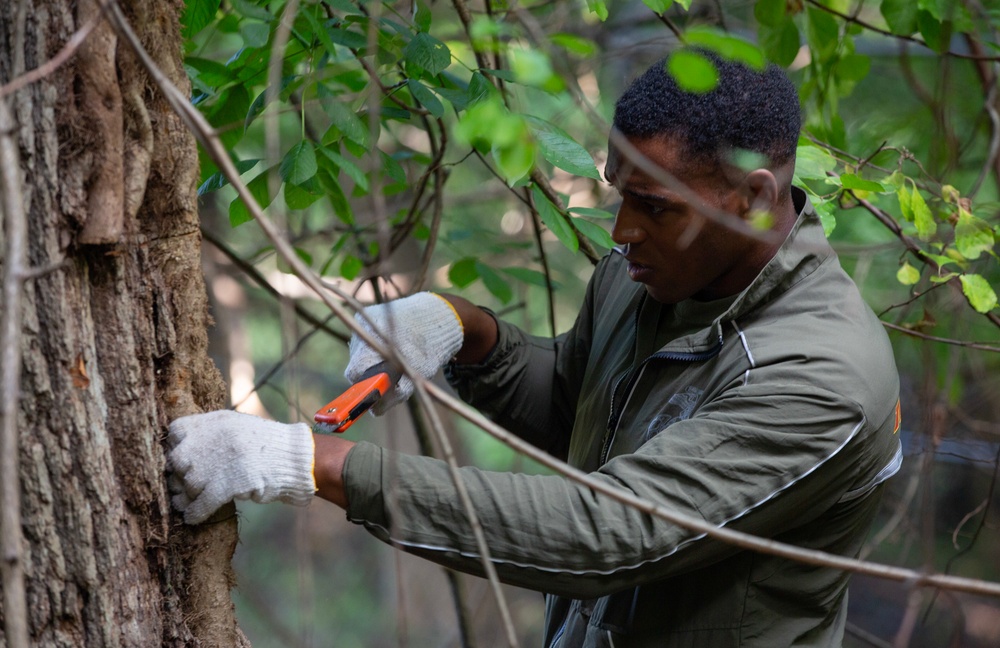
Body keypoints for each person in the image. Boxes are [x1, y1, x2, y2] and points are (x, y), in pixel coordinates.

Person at [167, 49, 903, 647]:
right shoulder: (651, 278)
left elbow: (613, 530)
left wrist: (311, 463)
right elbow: (579, 411)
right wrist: (467, 330)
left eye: (654, 207)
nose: (620, 233)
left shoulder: (823, 380)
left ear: (755, 196)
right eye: (618, 194)